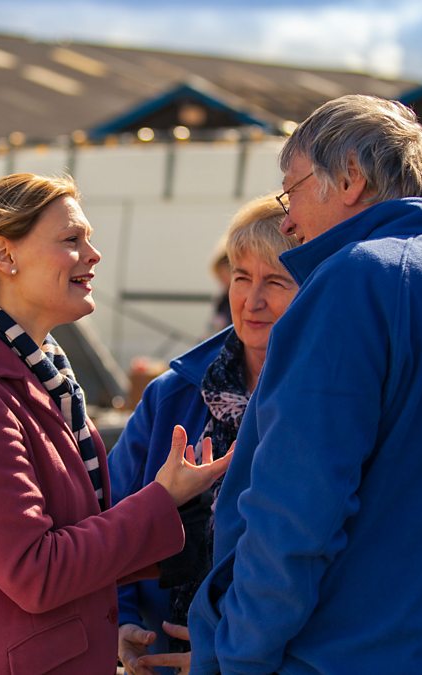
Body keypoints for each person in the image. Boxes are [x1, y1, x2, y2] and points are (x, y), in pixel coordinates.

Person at [187, 95, 422, 673]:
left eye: (291, 191)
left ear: (350, 177)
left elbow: (295, 511)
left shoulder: (351, 282)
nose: (287, 221)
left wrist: (238, 656)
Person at [0, 173, 233, 674]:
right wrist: (160, 500)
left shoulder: (42, 374)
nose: (93, 255)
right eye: (71, 239)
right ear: (4, 255)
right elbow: (35, 572)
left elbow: (74, 537)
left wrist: (180, 524)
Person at [109, 196, 297, 674]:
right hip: (158, 655)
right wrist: (121, 618)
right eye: (241, 277)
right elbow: (110, 512)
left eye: (276, 281)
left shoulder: (325, 402)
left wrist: (229, 651)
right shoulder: (171, 394)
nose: (252, 300)